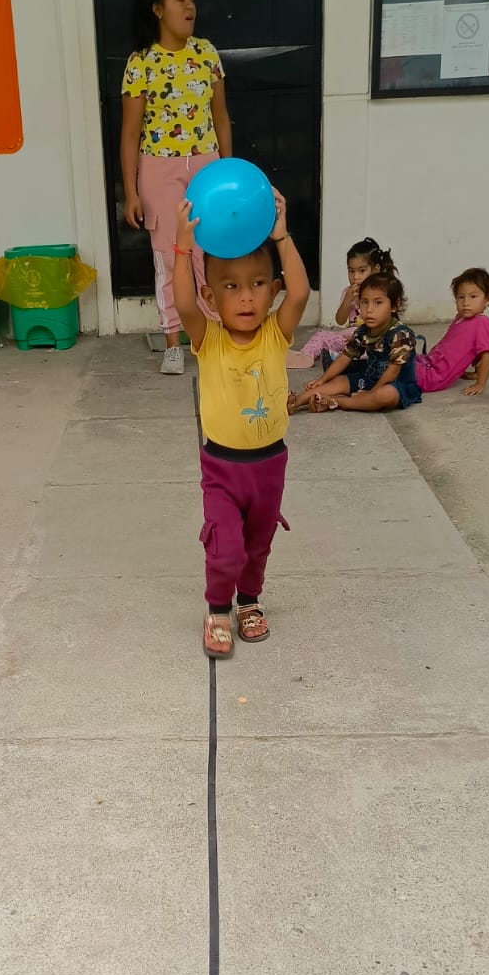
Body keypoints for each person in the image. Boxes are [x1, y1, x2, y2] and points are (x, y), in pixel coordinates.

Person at [173, 188, 310, 658]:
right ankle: (217, 610)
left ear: (273, 290)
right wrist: (182, 249)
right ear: (211, 295)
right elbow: (183, 305)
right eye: (231, 287)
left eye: (258, 283)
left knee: (258, 544)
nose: (247, 296)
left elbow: (301, 292)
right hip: (222, 468)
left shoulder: (276, 332)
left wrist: (282, 237)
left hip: (270, 465)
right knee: (226, 547)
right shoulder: (208, 338)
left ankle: (249, 601)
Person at [120, 0, 231, 375]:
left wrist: (227, 174)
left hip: (206, 166)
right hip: (159, 170)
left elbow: (221, 118)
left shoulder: (207, 53)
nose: (190, 6)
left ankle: (212, 337)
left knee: (208, 255)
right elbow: (130, 133)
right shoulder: (141, 62)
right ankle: (173, 342)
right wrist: (131, 192)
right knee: (169, 258)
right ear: (158, 9)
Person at [288, 272, 419, 413]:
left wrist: (372, 393)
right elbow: (345, 357)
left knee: (384, 395)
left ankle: (337, 401)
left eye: (378, 303)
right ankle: (296, 401)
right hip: (369, 378)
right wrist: (323, 379)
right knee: (339, 381)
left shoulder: (401, 335)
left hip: (396, 385)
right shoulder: (362, 331)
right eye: (364, 302)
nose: (369, 310)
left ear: (395, 305)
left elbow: (393, 372)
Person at [287, 237, 394, 369]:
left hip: (372, 338)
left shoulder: (381, 293)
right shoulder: (348, 293)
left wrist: (361, 337)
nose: (355, 277)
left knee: (380, 347)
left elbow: (385, 322)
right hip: (349, 337)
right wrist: (347, 300)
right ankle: (306, 356)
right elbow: (340, 320)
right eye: (351, 271)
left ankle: (341, 359)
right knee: (321, 335)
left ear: (375, 269)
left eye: (362, 271)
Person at [415, 268, 489, 397]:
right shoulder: (460, 318)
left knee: (393, 367)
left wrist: (480, 383)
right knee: (398, 356)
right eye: (461, 297)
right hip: (428, 363)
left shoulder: (482, 322)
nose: (465, 303)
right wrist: (476, 373)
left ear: (487, 299)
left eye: (473, 296)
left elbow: (486, 354)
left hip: (434, 376)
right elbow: (471, 349)